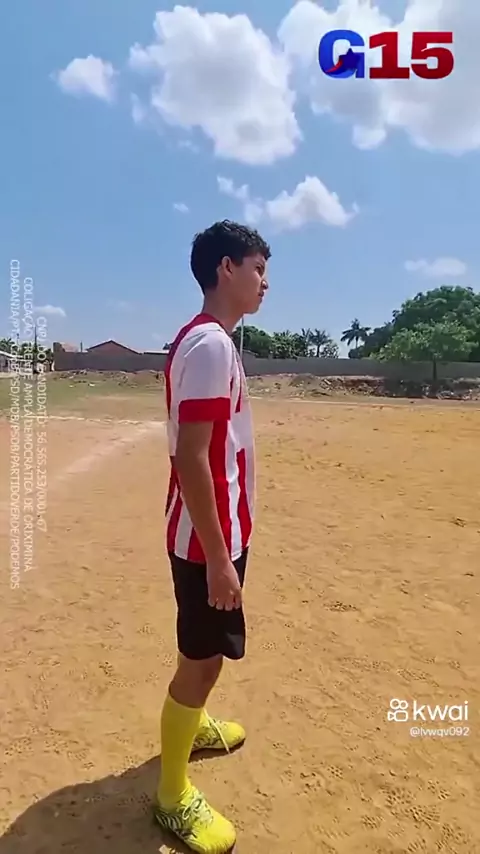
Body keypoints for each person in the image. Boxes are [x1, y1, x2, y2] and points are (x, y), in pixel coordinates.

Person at [154, 220, 271, 853]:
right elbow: (193, 459)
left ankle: (193, 724)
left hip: (213, 536)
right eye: (257, 269)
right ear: (226, 268)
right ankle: (172, 797)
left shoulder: (212, 341)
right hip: (207, 542)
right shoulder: (209, 346)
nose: (264, 283)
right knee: (202, 663)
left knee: (202, 653)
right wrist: (221, 560)